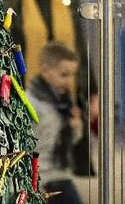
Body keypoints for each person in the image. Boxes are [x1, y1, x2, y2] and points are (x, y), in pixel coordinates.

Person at [3, 0, 98, 174]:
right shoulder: (12, 1)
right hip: (28, 91)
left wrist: (92, 92)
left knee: (63, 159)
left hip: (65, 93)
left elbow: (78, 48)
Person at [27, 42, 84, 204]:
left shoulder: (64, 101)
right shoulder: (30, 102)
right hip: (38, 177)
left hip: (60, 174)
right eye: (64, 75)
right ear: (45, 70)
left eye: (73, 75)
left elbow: (70, 140)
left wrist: (76, 126)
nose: (69, 81)